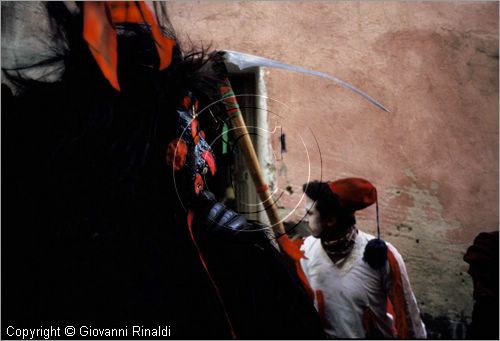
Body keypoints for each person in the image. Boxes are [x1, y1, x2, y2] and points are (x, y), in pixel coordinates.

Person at [2, 2, 324, 338]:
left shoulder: (234, 248)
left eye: (202, 132)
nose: (207, 155)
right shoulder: (68, 262)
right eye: (191, 133)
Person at [278, 178, 427, 338]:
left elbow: (409, 321)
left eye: (310, 213)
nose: (304, 219)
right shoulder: (303, 252)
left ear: (331, 220)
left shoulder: (385, 256)